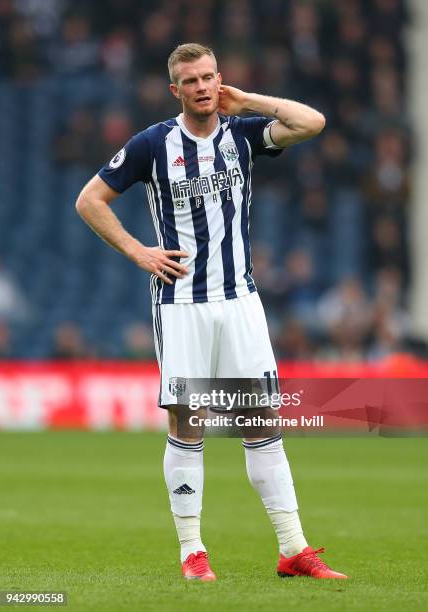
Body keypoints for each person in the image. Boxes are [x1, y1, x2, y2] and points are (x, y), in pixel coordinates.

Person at [75, 43, 347, 582]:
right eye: (190, 81)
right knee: (189, 423)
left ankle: (293, 548)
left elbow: (312, 122)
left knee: (260, 421)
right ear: (175, 90)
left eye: (208, 77)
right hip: (182, 305)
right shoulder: (153, 144)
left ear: (218, 79)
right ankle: (192, 553)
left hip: (240, 301)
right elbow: (89, 200)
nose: (201, 87)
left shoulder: (241, 134)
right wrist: (138, 251)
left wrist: (247, 100)